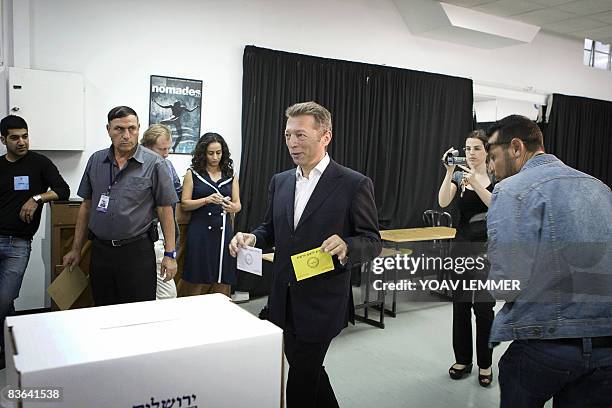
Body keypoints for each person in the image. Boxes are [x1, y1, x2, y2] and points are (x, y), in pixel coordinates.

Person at [229, 101, 381, 408]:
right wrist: (252, 237)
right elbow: (270, 228)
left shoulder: (353, 184)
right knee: (307, 370)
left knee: (299, 382)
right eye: (288, 135)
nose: (292, 143)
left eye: (300, 135)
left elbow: (372, 241)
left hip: (322, 299)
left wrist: (348, 246)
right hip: (283, 298)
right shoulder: (281, 181)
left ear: (325, 136)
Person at [486, 115, 612, 407]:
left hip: (546, 342)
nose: (491, 168)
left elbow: (508, 285)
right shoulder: (600, 187)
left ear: (516, 147)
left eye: (493, 157)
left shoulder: (511, 190)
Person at [62, 106, 178, 306]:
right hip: (101, 252)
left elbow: (165, 210)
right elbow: (86, 207)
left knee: (138, 313)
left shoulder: (155, 164)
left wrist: (170, 254)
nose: (126, 135)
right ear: (108, 129)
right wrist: (76, 249)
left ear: (139, 129)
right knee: (104, 309)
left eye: (132, 129)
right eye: (119, 129)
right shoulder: (96, 161)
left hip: (137, 252)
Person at [0, 115, 70, 367]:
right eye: (15, 137)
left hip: (18, 244)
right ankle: (10, 351)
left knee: (4, 298)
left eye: (25, 136)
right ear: (3, 139)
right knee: (5, 302)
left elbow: (63, 190)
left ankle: (12, 349)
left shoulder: (40, 163)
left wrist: (37, 198)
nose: (22, 142)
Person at [437, 130, 496, 387]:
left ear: (486, 152)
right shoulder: (460, 175)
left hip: (486, 249)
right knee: (460, 305)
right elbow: (442, 202)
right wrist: (449, 172)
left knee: (483, 308)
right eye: (467, 148)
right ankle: (463, 359)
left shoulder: (497, 177)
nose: (471, 153)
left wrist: (476, 183)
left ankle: (485, 363)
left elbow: (496, 204)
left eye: (476, 148)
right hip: (461, 248)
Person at [178, 133, 240, 298]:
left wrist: (231, 207)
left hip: (223, 233)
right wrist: (206, 200)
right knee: (198, 278)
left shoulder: (230, 174)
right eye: (210, 153)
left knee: (222, 278)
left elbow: (238, 205)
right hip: (200, 231)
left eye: (218, 153)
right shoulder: (193, 173)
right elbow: (185, 203)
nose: (215, 157)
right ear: (203, 153)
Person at [140, 124, 182, 299]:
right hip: (143, 233)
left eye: (168, 148)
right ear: (147, 147)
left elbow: (177, 191)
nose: (166, 153)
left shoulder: (167, 164)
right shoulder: (138, 165)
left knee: (166, 292)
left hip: (164, 234)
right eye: (161, 149)